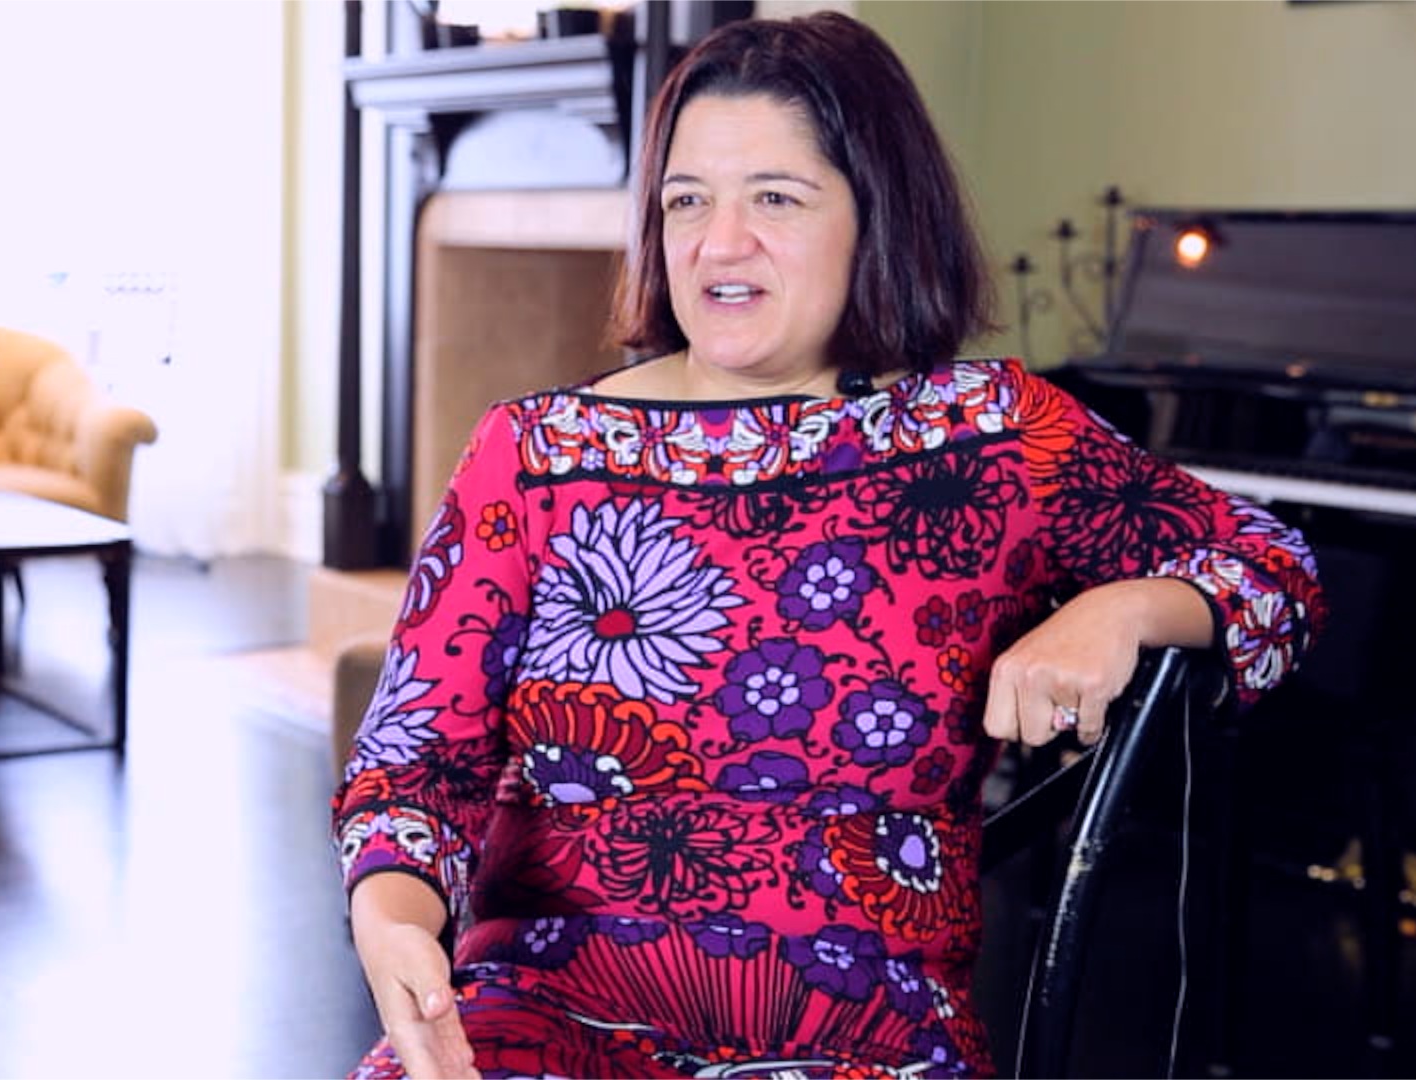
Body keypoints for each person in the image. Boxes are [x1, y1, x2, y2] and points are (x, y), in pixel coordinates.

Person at [332, 12, 1325, 1078]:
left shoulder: (995, 439)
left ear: (876, 216)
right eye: (686, 201)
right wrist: (394, 920)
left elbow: (1277, 570)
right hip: (551, 1010)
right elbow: (411, 763)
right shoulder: (534, 454)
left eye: (775, 198)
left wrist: (1124, 607)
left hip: (865, 1031)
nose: (718, 244)